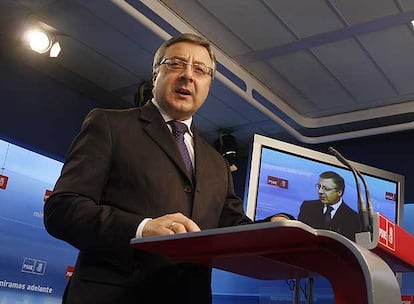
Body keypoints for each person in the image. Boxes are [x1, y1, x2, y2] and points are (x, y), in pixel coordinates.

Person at [44, 33, 291, 304]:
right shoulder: (109, 125)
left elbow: (231, 227)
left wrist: (272, 227)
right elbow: (62, 209)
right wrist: (141, 229)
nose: (188, 75)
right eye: (176, 64)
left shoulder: (217, 163)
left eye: (200, 70)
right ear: (155, 75)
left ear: (208, 84)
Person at [297, 171, 361, 241]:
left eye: (326, 189)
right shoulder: (308, 207)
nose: (320, 192)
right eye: (319, 187)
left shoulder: (353, 218)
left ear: (339, 192)